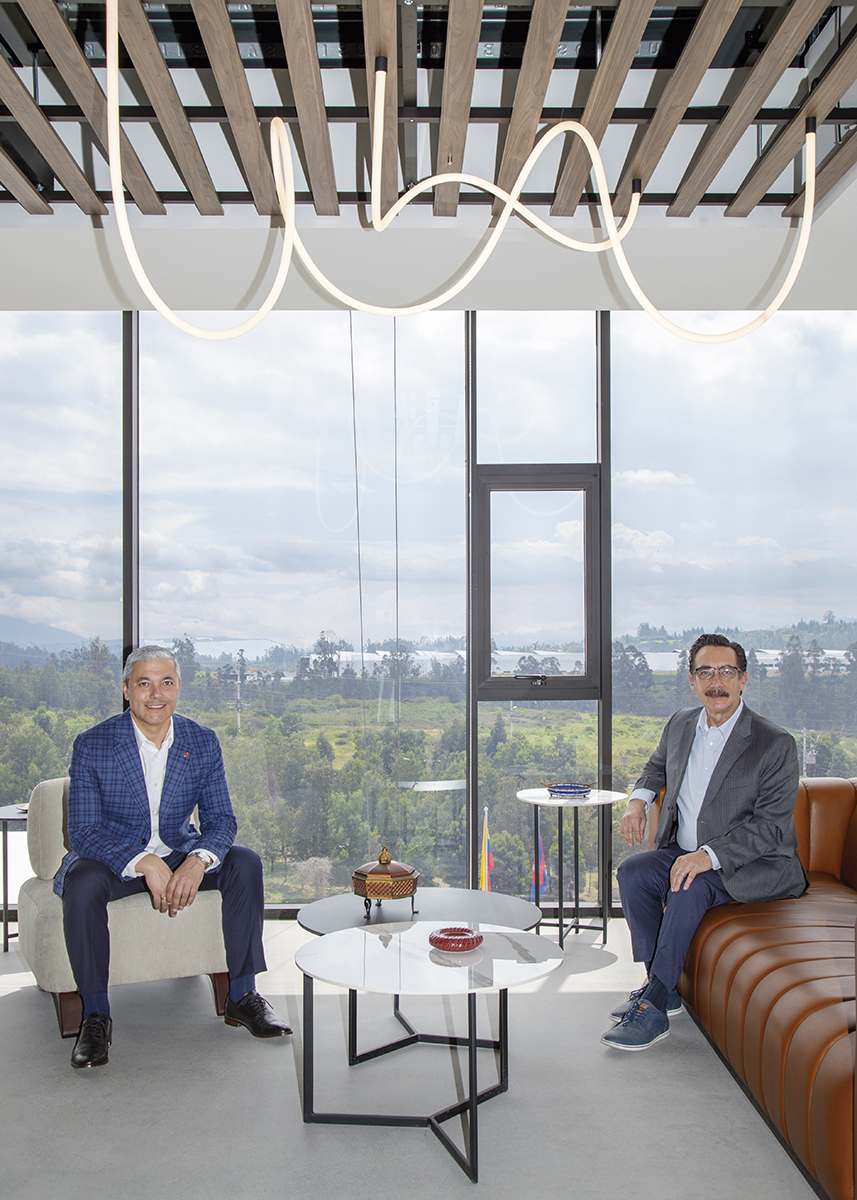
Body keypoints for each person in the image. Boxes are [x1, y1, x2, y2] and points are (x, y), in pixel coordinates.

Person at [55, 645, 291, 1069]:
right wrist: (144, 862)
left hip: (179, 851)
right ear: (126, 690)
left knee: (245, 863)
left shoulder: (201, 741)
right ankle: (96, 1015)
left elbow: (222, 819)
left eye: (165, 682)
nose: (156, 694)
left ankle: (243, 995)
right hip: (114, 860)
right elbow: (84, 832)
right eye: (144, 684)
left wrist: (197, 861)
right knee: (82, 881)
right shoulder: (93, 744)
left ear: (178, 687)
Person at [602, 633, 807, 1052]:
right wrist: (637, 802)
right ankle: (659, 987)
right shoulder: (680, 724)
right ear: (692, 681)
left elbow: (770, 827)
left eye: (727, 671)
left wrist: (707, 856)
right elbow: (656, 766)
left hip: (756, 864)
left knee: (688, 882)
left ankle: (653, 1007)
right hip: (685, 852)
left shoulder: (775, 743)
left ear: (743, 679)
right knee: (633, 873)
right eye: (706, 672)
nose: (717, 681)